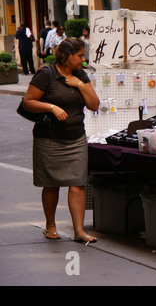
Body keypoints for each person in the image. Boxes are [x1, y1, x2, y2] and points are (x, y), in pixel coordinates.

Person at [22, 38, 100, 244]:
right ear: (67, 56)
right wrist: (51, 107)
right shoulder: (46, 74)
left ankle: (79, 231)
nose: (83, 60)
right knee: (51, 184)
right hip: (49, 139)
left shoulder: (80, 75)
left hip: (75, 137)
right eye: (80, 56)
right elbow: (28, 102)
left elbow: (94, 104)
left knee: (78, 184)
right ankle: (50, 225)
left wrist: (81, 85)